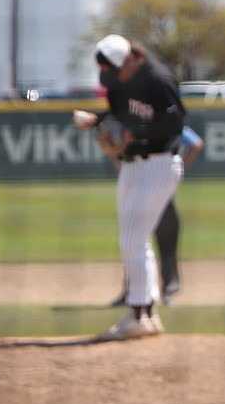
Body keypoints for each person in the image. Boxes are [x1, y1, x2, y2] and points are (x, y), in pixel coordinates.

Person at [73, 34, 186, 341]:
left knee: (133, 240)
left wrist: (138, 132)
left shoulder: (159, 79)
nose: (112, 77)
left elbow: (175, 123)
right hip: (132, 166)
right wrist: (96, 120)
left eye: (114, 70)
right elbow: (120, 117)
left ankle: (136, 313)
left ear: (131, 59)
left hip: (160, 164)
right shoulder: (118, 84)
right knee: (134, 239)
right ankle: (147, 314)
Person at [109, 125, 204, 307]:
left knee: (135, 242)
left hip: (146, 190)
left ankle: (140, 291)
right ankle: (157, 291)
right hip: (159, 190)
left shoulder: (153, 126)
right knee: (140, 243)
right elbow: (196, 144)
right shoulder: (159, 126)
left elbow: (196, 143)